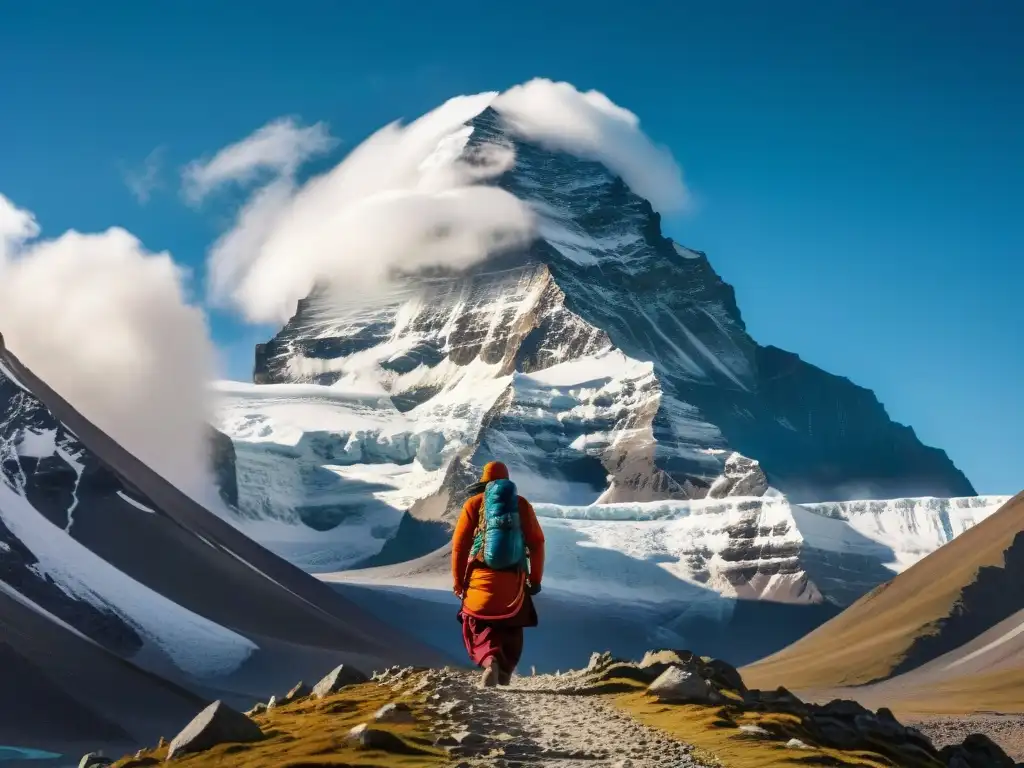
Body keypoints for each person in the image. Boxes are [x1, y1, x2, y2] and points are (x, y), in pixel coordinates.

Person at [451, 461, 545, 687]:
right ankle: (505, 671)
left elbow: (460, 546)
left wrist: (458, 581)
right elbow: (537, 543)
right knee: (512, 626)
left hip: (479, 579)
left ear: (484, 483)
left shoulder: (473, 504)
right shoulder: (522, 505)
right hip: (514, 582)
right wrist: (535, 580)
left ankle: (490, 660)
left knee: (478, 624)